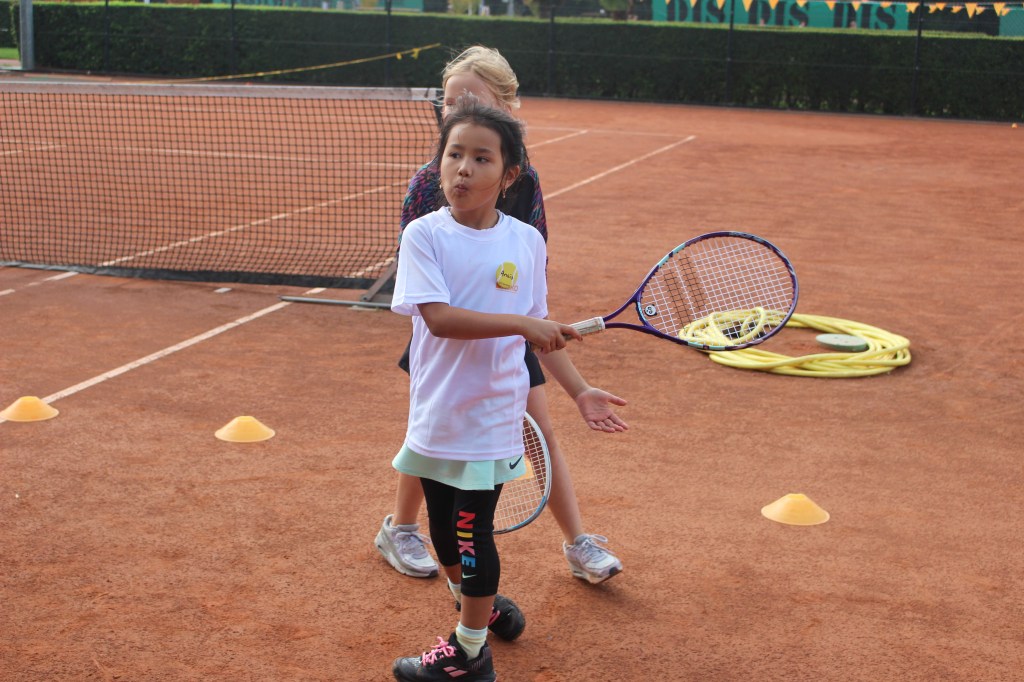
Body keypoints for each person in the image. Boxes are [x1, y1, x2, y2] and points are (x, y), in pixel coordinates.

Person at [375, 45, 628, 592]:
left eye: (471, 98)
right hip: (449, 331)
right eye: (449, 101)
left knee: (538, 432)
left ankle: (577, 541)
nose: (456, 108)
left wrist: (576, 383)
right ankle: (402, 528)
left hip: (511, 329)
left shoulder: (524, 181)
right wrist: (512, 324)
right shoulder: (429, 182)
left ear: (507, 105)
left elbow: (531, 275)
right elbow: (430, 292)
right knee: (431, 437)